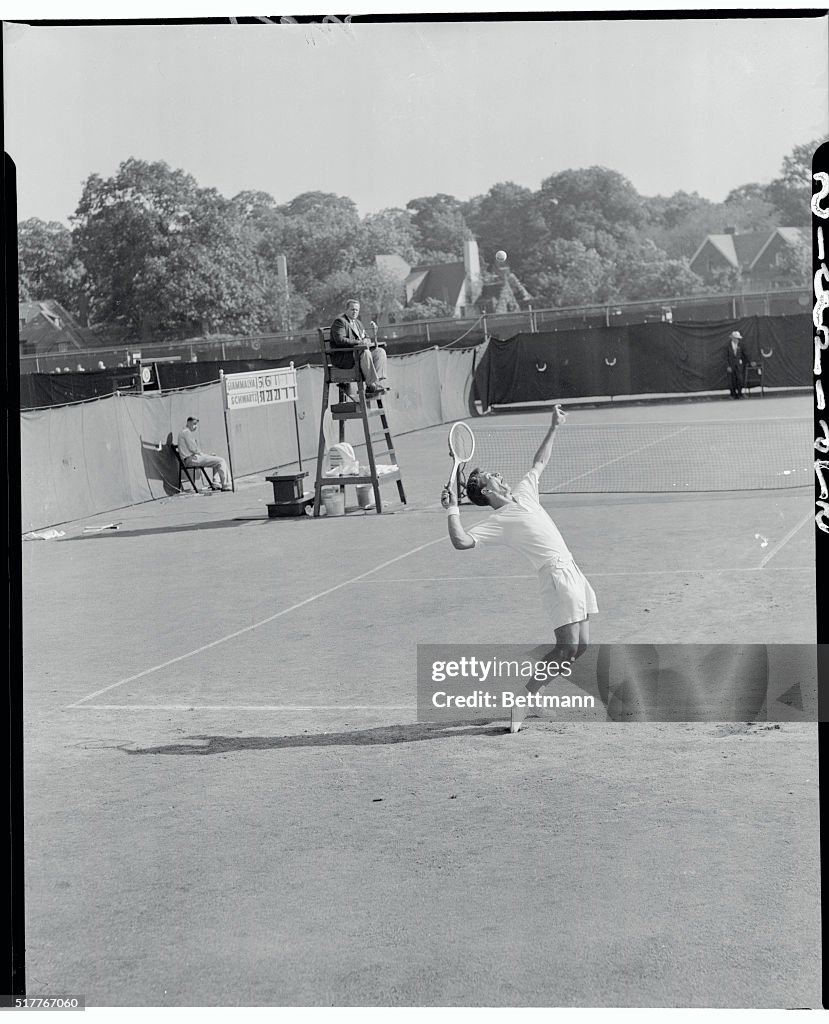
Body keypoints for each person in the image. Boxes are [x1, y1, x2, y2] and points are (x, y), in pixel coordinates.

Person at [441, 405, 598, 733]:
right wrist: (452, 509)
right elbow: (462, 542)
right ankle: (523, 699)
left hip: (573, 570)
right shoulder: (498, 521)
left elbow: (539, 462)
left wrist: (554, 425)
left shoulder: (524, 493)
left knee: (579, 647)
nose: (499, 474)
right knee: (567, 647)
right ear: (487, 491)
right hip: (555, 576)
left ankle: (535, 693)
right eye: (492, 476)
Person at [330, 298, 388, 397]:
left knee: (380, 352)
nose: (355, 312)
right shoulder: (340, 322)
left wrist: (366, 341)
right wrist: (359, 342)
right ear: (346, 310)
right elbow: (340, 340)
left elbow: (366, 337)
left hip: (358, 355)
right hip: (345, 357)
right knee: (366, 352)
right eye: (352, 309)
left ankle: (374, 384)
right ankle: (371, 384)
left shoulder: (358, 323)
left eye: (357, 310)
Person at [176, 416, 232, 491]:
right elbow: (193, 449)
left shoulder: (184, 432)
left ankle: (216, 483)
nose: (195, 426)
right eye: (194, 424)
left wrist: (206, 455)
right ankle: (226, 485)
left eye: (196, 424)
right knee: (221, 461)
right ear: (188, 423)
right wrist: (204, 455)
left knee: (215, 458)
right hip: (191, 459)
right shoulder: (186, 432)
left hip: (191, 458)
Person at [726, 330, 748, 399]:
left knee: (740, 380)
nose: (737, 339)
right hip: (731, 366)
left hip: (739, 366)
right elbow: (725, 357)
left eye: (738, 338)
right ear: (732, 338)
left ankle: (740, 394)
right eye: (735, 338)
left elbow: (744, 355)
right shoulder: (728, 346)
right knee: (732, 381)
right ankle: (732, 394)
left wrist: (749, 362)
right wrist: (728, 366)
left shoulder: (741, 345)